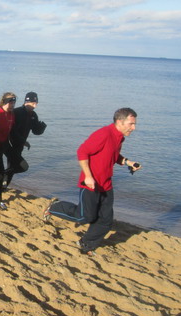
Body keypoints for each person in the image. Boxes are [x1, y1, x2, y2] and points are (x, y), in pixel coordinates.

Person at [43, 108, 141, 256]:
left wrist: (128, 162)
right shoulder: (103, 134)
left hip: (106, 185)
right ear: (120, 122)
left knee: (106, 221)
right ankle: (54, 207)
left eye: (134, 124)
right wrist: (88, 176)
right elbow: (82, 152)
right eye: (131, 124)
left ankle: (86, 243)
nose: (134, 128)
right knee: (85, 217)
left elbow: (113, 155)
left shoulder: (119, 137)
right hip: (90, 184)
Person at [4, 91, 47, 188]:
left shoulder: (33, 115)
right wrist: (23, 141)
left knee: (12, 167)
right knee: (17, 166)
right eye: (33, 103)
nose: (35, 106)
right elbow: (11, 131)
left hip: (19, 145)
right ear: (26, 102)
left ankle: (3, 185)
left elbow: (36, 131)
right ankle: (2, 181)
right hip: (10, 144)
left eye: (36, 104)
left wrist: (42, 128)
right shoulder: (17, 112)